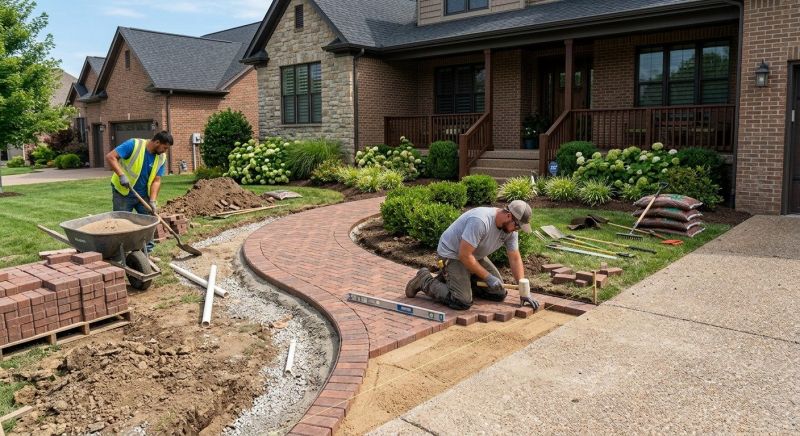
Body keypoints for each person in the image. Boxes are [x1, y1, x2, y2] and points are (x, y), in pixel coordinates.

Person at [405, 199, 539, 310]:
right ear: (509, 216)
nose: (517, 230)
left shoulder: (510, 230)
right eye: (517, 226)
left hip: (474, 256)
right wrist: (487, 277)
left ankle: (455, 280)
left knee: (498, 293)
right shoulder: (480, 221)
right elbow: (464, 255)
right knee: (462, 301)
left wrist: (523, 291)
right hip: (453, 254)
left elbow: (515, 258)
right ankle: (424, 280)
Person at [105, 131, 173, 252]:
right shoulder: (134, 144)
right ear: (157, 142)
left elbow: (156, 180)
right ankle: (121, 253)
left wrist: (152, 200)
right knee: (121, 223)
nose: (165, 151)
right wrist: (121, 175)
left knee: (148, 222)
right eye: (165, 147)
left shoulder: (161, 157)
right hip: (123, 193)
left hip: (143, 195)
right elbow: (110, 156)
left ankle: (147, 252)